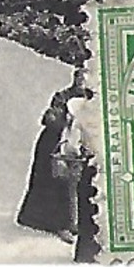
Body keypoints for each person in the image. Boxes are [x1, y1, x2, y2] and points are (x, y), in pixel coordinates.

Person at [17, 69, 88, 242]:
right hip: (56, 141)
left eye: (85, 78)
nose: (81, 82)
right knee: (56, 180)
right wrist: (55, 118)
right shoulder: (63, 96)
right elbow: (52, 116)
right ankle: (57, 222)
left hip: (81, 142)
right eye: (78, 78)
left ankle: (78, 221)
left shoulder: (92, 98)